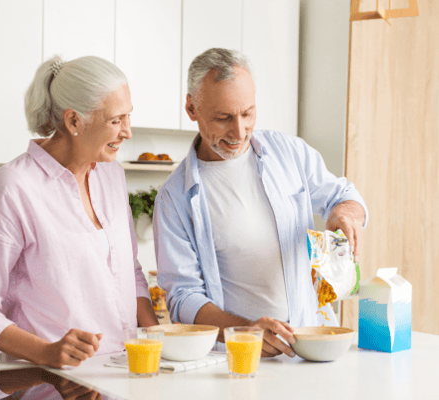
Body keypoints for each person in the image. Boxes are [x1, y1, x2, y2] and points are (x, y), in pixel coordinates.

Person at [153, 48, 368, 358]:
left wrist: (345, 215)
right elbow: (183, 299)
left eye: (248, 113)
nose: (239, 131)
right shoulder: (174, 199)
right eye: (223, 117)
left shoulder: (289, 152)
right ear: (191, 108)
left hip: (312, 347)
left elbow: (344, 196)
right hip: (240, 359)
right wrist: (246, 331)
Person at [0, 55, 158, 368]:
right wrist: (47, 352)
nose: (127, 132)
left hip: (121, 374)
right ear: (73, 121)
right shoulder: (14, 187)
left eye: (128, 117)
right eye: (115, 120)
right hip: (44, 381)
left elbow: (128, 271)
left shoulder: (112, 174)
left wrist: (157, 334)